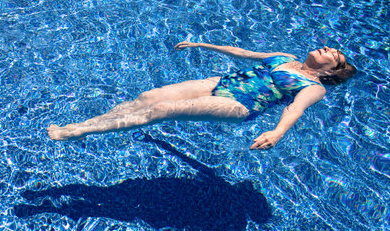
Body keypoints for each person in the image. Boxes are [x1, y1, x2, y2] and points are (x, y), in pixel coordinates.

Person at [47, 41, 357, 149]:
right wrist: (202, 45)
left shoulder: (314, 88)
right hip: (222, 82)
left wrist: (277, 132)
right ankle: (92, 122)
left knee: (161, 111)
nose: (327, 48)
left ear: (331, 70)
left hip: (239, 103)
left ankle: (77, 132)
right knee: (148, 97)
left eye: (334, 54)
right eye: (329, 47)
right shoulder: (285, 57)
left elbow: (295, 110)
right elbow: (243, 53)